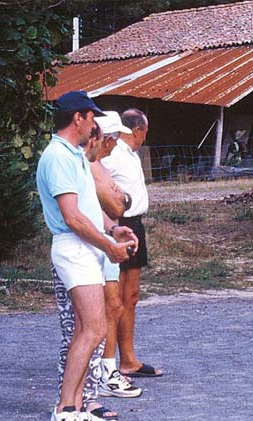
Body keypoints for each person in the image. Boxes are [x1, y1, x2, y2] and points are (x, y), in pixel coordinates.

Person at [37, 91, 137, 421]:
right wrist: (109, 247)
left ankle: (77, 407)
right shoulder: (57, 157)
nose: (94, 125)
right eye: (91, 117)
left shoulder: (74, 155)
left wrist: (113, 228)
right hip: (75, 250)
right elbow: (73, 218)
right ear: (77, 118)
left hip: (85, 249)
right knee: (93, 330)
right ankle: (65, 409)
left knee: (88, 330)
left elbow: (89, 213)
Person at [101, 109, 162, 377]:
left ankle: (128, 358)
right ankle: (109, 361)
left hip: (135, 224)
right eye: (144, 134)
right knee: (115, 298)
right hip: (119, 224)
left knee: (131, 296)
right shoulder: (112, 154)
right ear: (136, 130)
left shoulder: (131, 155)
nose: (143, 139)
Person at [91, 112, 144, 398]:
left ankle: (108, 368)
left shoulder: (99, 164)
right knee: (109, 305)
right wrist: (117, 197)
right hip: (98, 240)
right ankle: (104, 371)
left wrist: (118, 198)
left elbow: (119, 200)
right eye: (111, 139)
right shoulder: (94, 164)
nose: (113, 144)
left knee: (115, 304)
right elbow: (116, 202)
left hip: (110, 232)